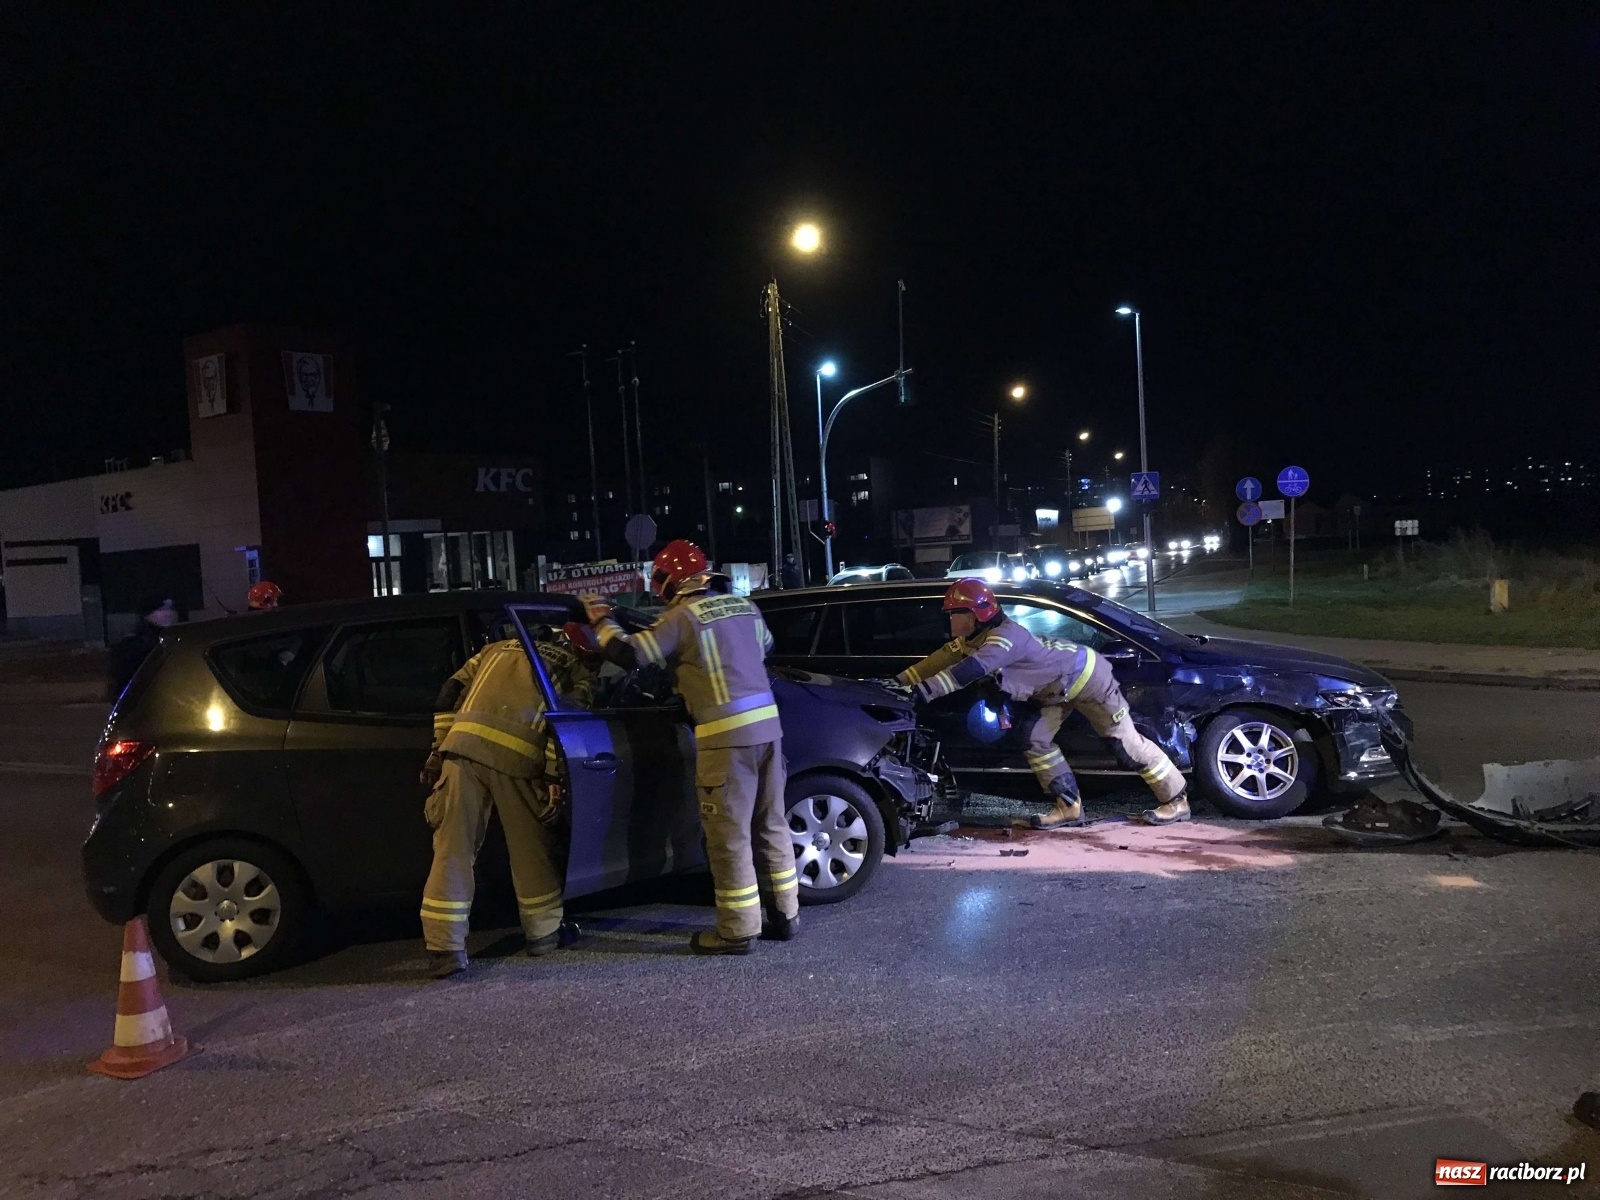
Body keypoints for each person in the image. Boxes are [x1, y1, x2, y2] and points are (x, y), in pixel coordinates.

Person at [582, 538, 798, 955]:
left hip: (725, 741)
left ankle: (736, 931)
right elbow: (765, 648)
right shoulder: (745, 607)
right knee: (771, 824)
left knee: (729, 836)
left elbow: (630, 656)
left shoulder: (681, 617)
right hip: (770, 734)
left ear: (668, 581)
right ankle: (786, 916)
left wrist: (601, 620)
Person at [896, 579, 1189, 827]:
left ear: (976, 615)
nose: (950, 619)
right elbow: (938, 660)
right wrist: (898, 683)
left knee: (1126, 746)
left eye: (954, 613)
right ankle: (1069, 808)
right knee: (1034, 739)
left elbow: (967, 672)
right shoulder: (974, 638)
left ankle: (1177, 801)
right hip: (1055, 690)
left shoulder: (1005, 639)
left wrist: (922, 692)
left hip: (1088, 678)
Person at [418, 628, 596, 978]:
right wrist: (551, 777)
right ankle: (544, 935)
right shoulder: (577, 669)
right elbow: (563, 722)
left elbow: (448, 692)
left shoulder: (495, 649)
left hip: (462, 750)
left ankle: (445, 949)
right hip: (518, 757)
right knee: (530, 851)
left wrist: (438, 750)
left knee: (452, 850)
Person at [106, 593, 177, 700]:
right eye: (161, 609)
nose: (167, 613)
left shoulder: (176, 639)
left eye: (170, 608)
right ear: (147, 614)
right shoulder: (132, 644)